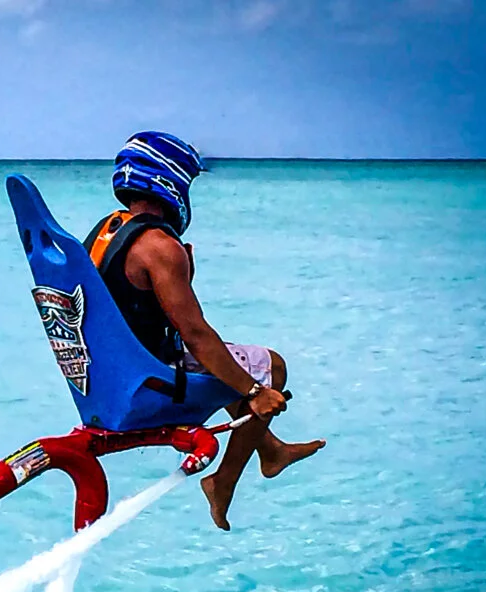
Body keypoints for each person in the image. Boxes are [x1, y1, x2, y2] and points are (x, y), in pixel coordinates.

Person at [83, 131, 325, 530]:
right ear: (170, 181)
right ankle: (223, 482)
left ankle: (271, 450)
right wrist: (255, 392)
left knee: (229, 363)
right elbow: (195, 333)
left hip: (107, 374)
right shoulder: (160, 246)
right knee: (271, 367)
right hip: (150, 381)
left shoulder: (106, 230)